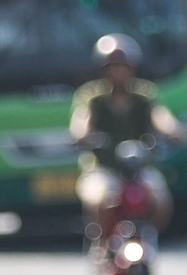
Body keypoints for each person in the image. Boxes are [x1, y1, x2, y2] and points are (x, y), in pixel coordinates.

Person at [69, 33, 178, 230]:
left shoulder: (143, 94)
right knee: (100, 201)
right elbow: (82, 121)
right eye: (112, 67)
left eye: (123, 67)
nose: (118, 72)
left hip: (139, 168)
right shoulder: (92, 96)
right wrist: (81, 134)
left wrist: (173, 131)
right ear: (103, 70)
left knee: (161, 202)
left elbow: (161, 117)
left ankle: (147, 237)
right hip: (103, 168)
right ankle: (101, 246)